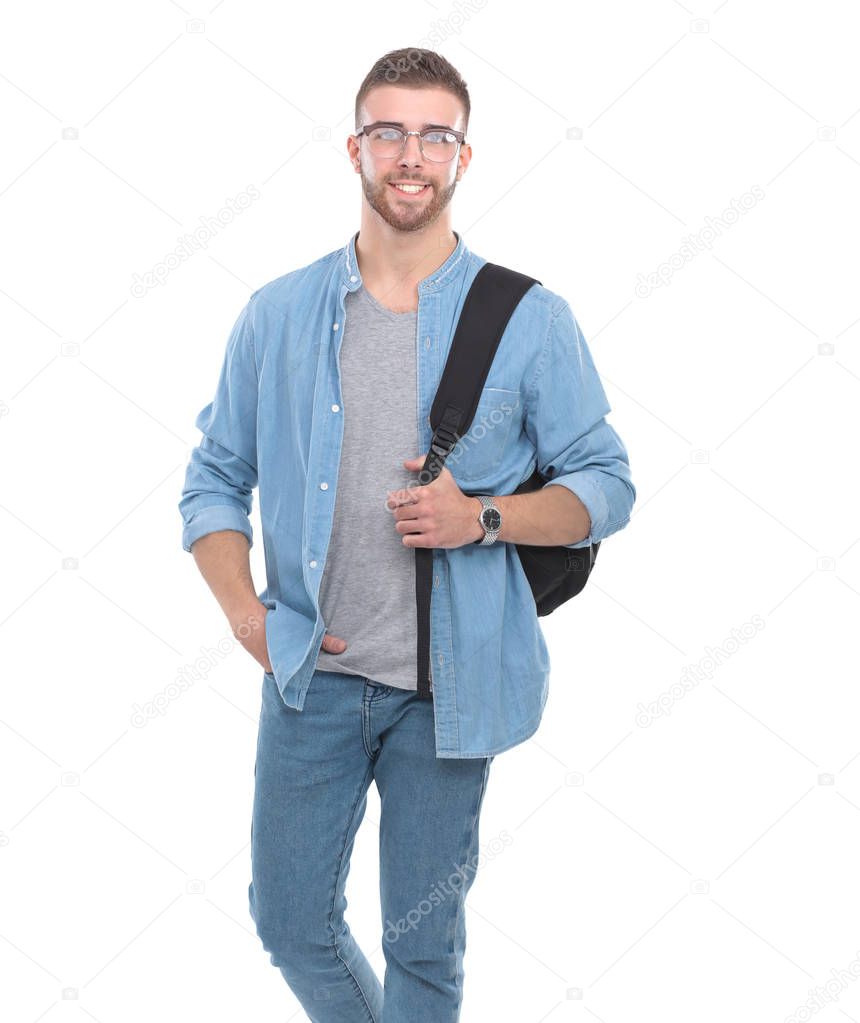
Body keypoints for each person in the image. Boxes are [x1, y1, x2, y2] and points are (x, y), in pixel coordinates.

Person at [179, 47, 635, 1023]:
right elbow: (214, 479)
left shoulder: (527, 318)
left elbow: (606, 482)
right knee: (289, 919)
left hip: (450, 693)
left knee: (421, 944)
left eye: (435, 134)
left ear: (462, 157)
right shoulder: (278, 313)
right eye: (389, 131)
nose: (410, 154)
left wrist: (482, 517)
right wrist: (244, 617)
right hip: (312, 679)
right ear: (355, 148)